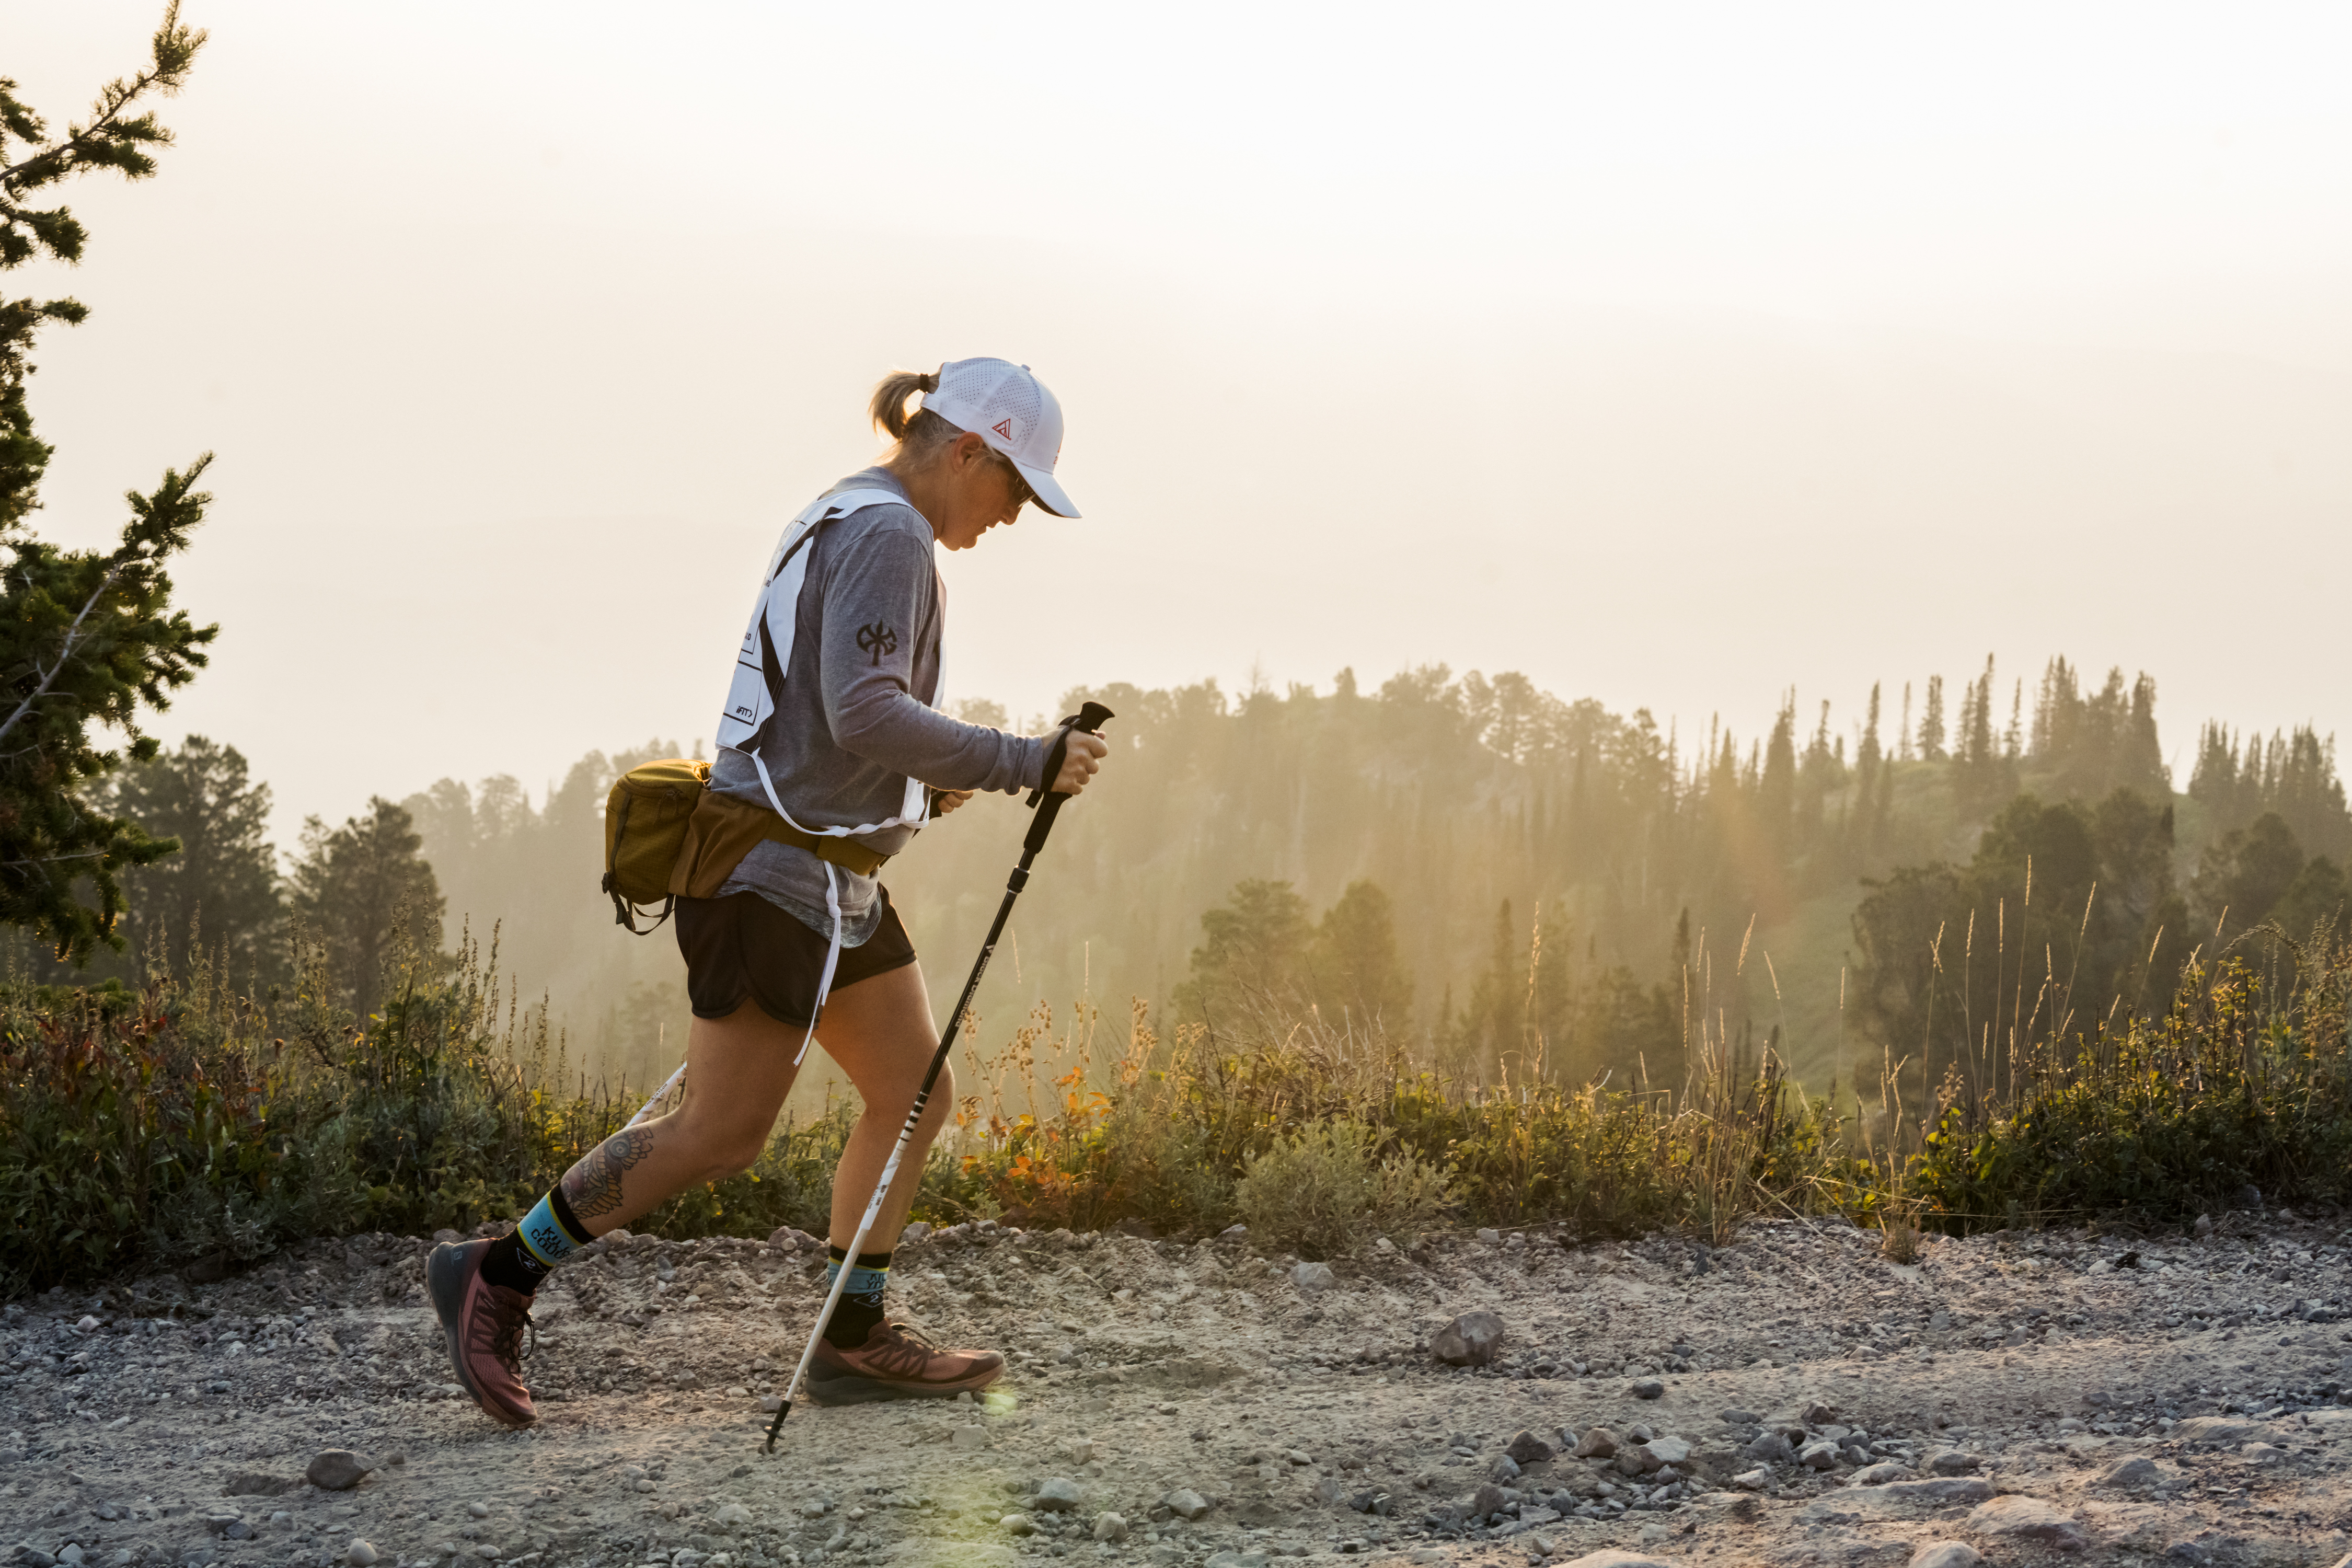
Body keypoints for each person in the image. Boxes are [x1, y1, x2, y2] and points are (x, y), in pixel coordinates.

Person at [424, 359, 1108, 1428]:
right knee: (718, 1132)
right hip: (772, 876)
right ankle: (500, 1272)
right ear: (968, 450)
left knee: (914, 1091)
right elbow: (865, 711)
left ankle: (850, 1339)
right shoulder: (890, 537)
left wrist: (920, 783)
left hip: (827, 874)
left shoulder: (851, 509)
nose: (1012, 518)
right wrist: (1022, 760)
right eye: (1014, 490)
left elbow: (832, 717)